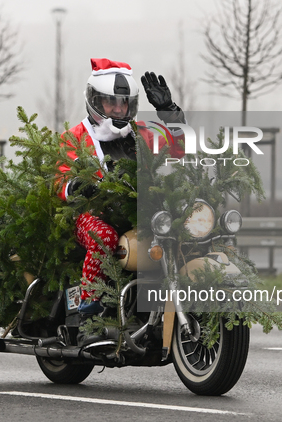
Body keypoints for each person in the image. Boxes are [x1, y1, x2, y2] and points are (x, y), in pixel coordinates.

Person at [58, 58, 186, 321]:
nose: (118, 109)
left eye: (123, 102)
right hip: (93, 213)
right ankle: (89, 302)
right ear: (95, 102)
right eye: (111, 102)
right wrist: (77, 185)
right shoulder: (75, 136)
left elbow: (178, 151)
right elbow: (60, 180)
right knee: (103, 236)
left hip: (138, 211)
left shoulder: (143, 134)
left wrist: (170, 113)